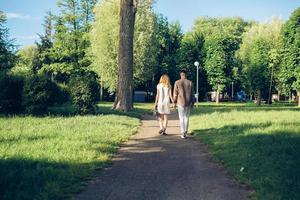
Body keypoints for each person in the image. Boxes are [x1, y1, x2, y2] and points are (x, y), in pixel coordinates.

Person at [173, 69, 195, 139]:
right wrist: (193, 102)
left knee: (181, 117)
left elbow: (175, 94)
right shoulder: (190, 82)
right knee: (186, 117)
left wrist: (174, 102)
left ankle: (182, 132)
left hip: (180, 102)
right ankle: (185, 131)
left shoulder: (177, 82)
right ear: (186, 74)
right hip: (188, 102)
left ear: (180, 75)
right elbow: (192, 94)